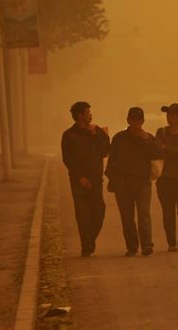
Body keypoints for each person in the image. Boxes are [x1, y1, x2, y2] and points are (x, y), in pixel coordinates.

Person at [105, 107, 159, 257]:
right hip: (123, 183)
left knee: (143, 214)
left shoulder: (148, 138)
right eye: (133, 119)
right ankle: (132, 246)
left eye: (139, 120)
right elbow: (112, 161)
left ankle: (147, 245)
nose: (136, 123)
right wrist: (113, 179)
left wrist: (147, 141)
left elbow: (157, 155)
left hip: (142, 183)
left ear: (142, 121)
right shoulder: (119, 138)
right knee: (127, 217)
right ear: (128, 120)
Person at [61, 101, 110, 257]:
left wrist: (97, 135)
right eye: (87, 112)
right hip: (78, 182)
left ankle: (89, 240)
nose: (90, 114)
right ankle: (86, 246)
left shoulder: (96, 131)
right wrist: (80, 177)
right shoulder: (69, 135)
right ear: (80, 115)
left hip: (96, 180)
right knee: (83, 215)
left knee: (99, 212)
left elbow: (105, 152)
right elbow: (68, 159)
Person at [155, 103, 178, 252]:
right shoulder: (161, 132)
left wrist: (167, 149)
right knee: (168, 211)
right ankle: (171, 242)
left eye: (172, 114)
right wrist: (175, 150)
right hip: (165, 178)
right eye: (167, 114)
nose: (168, 117)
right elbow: (158, 148)